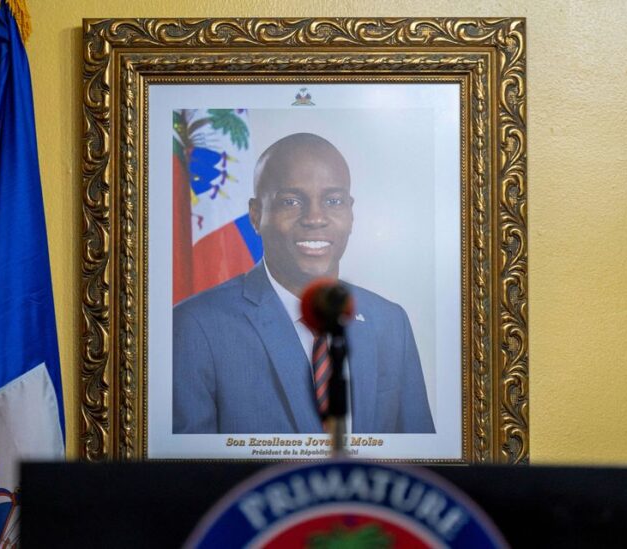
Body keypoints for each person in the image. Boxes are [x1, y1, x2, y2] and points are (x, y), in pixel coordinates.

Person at [172, 132, 435, 434]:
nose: (314, 218)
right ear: (256, 216)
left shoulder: (390, 322)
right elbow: (190, 476)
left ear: (350, 213)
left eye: (333, 201)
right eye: (291, 201)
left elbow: (421, 464)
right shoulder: (194, 327)